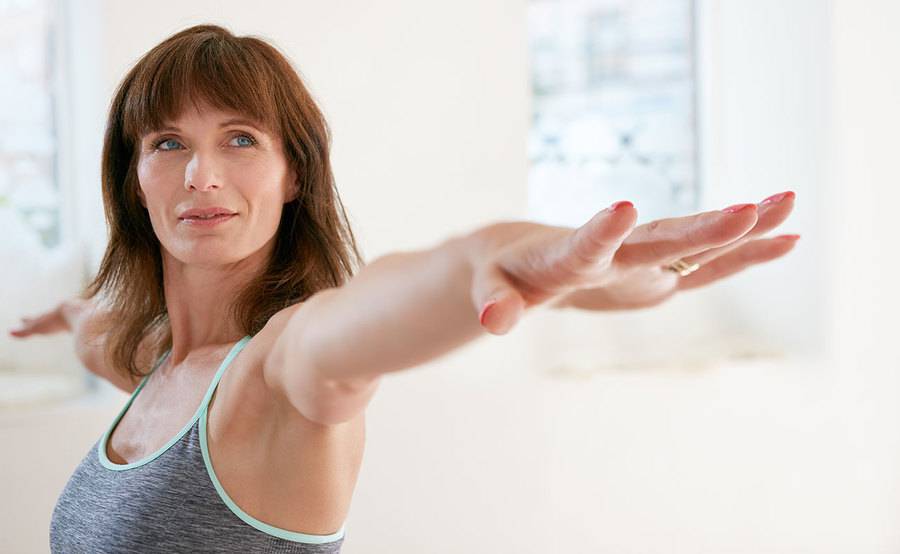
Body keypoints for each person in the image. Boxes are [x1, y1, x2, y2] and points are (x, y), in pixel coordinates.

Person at [8, 23, 799, 553]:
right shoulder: (155, 361)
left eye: (240, 138)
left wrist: (511, 260)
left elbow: (394, 298)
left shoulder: (283, 367)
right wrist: (70, 312)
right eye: (168, 142)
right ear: (135, 180)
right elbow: (103, 330)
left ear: (293, 177)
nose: (200, 174)